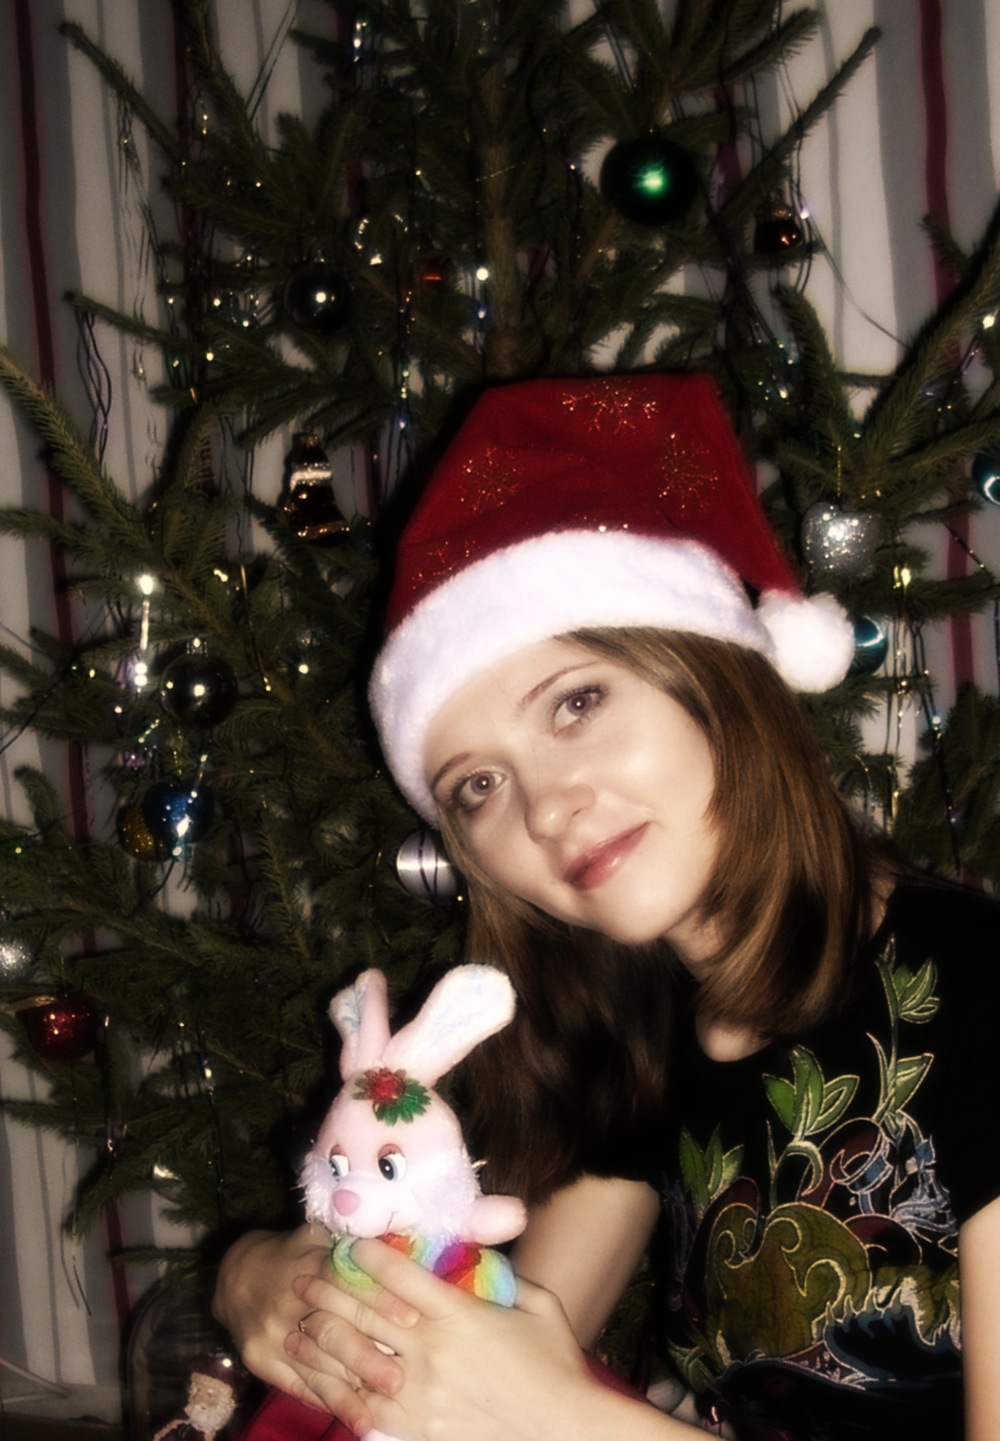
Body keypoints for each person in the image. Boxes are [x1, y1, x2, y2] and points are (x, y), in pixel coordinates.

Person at [213, 374, 1000, 1441]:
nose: (545, 808)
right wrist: (255, 1272)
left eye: (576, 702)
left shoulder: (978, 984)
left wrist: (567, 1418)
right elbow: (465, 1352)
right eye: (476, 785)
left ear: (712, 672)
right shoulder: (646, 1029)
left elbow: (526, 1404)